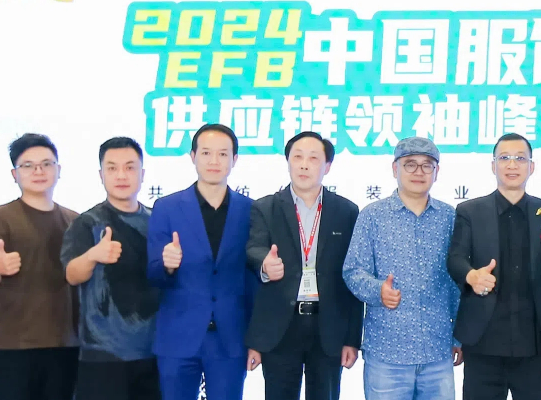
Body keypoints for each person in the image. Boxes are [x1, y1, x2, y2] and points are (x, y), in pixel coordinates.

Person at [448, 134, 541, 400]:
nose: (512, 165)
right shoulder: (470, 211)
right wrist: (471, 275)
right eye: (504, 158)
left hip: (535, 343)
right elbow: (455, 258)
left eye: (520, 158)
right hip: (483, 342)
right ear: (493, 166)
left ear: (531, 167)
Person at [245, 132, 364, 400]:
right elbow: (253, 248)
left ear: (327, 166)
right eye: (297, 157)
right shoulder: (265, 207)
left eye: (313, 158)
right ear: (287, 162)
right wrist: (265, 264)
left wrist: (352, 338)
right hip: (280, 327)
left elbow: (353, 275)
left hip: (329, 327)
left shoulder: (346, 211)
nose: (304, 165)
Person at [342, 136, 461, 400]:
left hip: (438, 352)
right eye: (410, 164)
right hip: (387, 354)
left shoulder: (450, 217)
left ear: (437, 172)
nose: (419, 171)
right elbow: (353, 270)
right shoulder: (372, 215)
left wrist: (458, 337)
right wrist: (378, 291)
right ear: (395, 169)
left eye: (427, 165)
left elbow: (456, 282)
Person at [147, 124, 256, 400]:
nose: (214, 161)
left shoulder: (251, 210)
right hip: (178, 336)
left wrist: (257, 339)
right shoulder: (166, 208)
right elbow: (152, 274)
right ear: (193, 156)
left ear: (235, 160)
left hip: (230, 337)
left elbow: (252, 280)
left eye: (223, 154)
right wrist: (167, 264)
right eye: (206, 153)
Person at [0, 133, 81, 400]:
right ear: (15, 174)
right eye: (28, 165)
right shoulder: (0, 218)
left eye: (46, 164)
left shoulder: (76, 221)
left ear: (58, 170)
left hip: (66, 345)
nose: (38, 171)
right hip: (14, 347)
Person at [60, 137, 162, 400]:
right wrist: (93, 255)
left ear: (142, 174)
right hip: (102, 354)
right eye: (112, 168)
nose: (121, 175)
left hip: (155, 351)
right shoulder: (87, 222)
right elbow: (72, 274)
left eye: (129, 167)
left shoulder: (159, 221)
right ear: (101, 175)